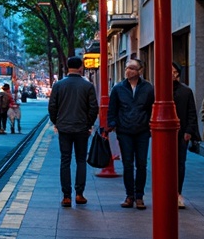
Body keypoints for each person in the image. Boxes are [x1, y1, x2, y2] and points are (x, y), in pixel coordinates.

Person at [47, 56, 99, 207]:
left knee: (65, 160)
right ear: (81, 67)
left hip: (64, 128)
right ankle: (79, 194)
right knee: (81, 160)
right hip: (82, 127)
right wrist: (89, 124)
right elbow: (93, 108)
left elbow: (52, 107)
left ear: (67, 67)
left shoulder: (58, 85)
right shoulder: (87, 86)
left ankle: (66, 196)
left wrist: (57, 122)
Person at [105, 58, 153, 209]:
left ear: (140, 71)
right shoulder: (118, 88)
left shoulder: (148, 88)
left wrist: (150, 125)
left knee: (142, 164)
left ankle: (139, 196)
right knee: (127, 164)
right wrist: (112, 124)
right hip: (124, 131)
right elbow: (112, 109)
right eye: (127, 68)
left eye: (132, 68)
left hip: (142, 131)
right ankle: (129, 196)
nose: (128, 71)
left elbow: (152, 107)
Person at [171, 63, 199, 209]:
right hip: (165, 135)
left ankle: (177, 192)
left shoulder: (186, 91)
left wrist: (189, 131)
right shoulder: (159, 90)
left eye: (174, 71)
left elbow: (192, 112)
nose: (172, 74)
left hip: (181, 133)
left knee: (180, 164)